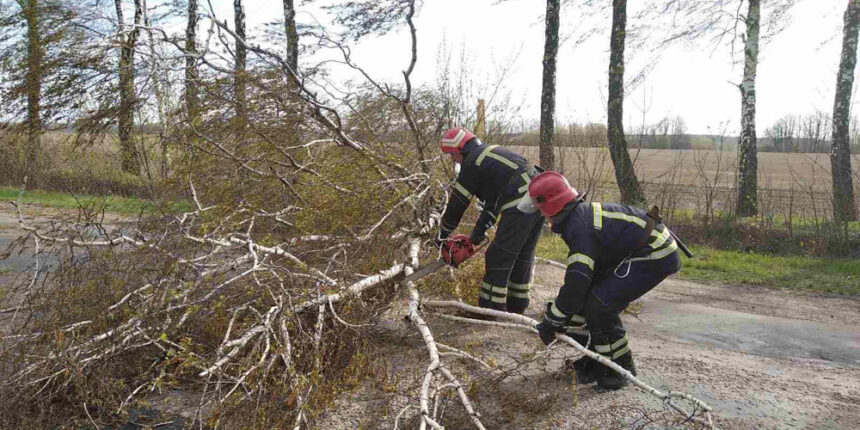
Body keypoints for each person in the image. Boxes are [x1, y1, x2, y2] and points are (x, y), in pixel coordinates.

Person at [528, 171, 681, 390]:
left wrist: (553, 320)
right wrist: (561, 316)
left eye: (541, 210)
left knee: (600, 306)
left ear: (552, 207)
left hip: (656, 252)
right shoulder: (577, 219)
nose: (542, 216)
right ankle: (596, 359)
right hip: (642, 248)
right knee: (589, 304)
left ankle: (619, 369)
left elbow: (577, 282)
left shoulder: (579, 227)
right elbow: (580, 287)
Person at [437, 127, 543, 314]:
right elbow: (493, 202)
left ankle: (490, 310)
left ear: (460, 149)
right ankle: (516, 307)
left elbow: (458, 202)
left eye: (452, 155)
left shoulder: (472, 162)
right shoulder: (488, 156)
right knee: (522, 254)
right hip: (539, 198)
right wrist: (477, 234)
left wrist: (443, 233)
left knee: (497, 256)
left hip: (520, 202)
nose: (454, 160)